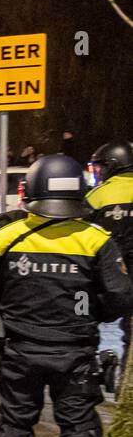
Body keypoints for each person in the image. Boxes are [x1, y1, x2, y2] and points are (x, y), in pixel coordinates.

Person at [0, 154, 133, 437]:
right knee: (80, 430)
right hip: (75, 354)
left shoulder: (6, 237)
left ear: (31, 190)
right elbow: (118, 299)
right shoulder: (97, 239)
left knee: (14, 425)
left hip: (19, 352)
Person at [86, 140, 133, 364]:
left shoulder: (99, 196)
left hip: (109, 277)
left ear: (113, 165)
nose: (98, 173)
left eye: (100, 167)